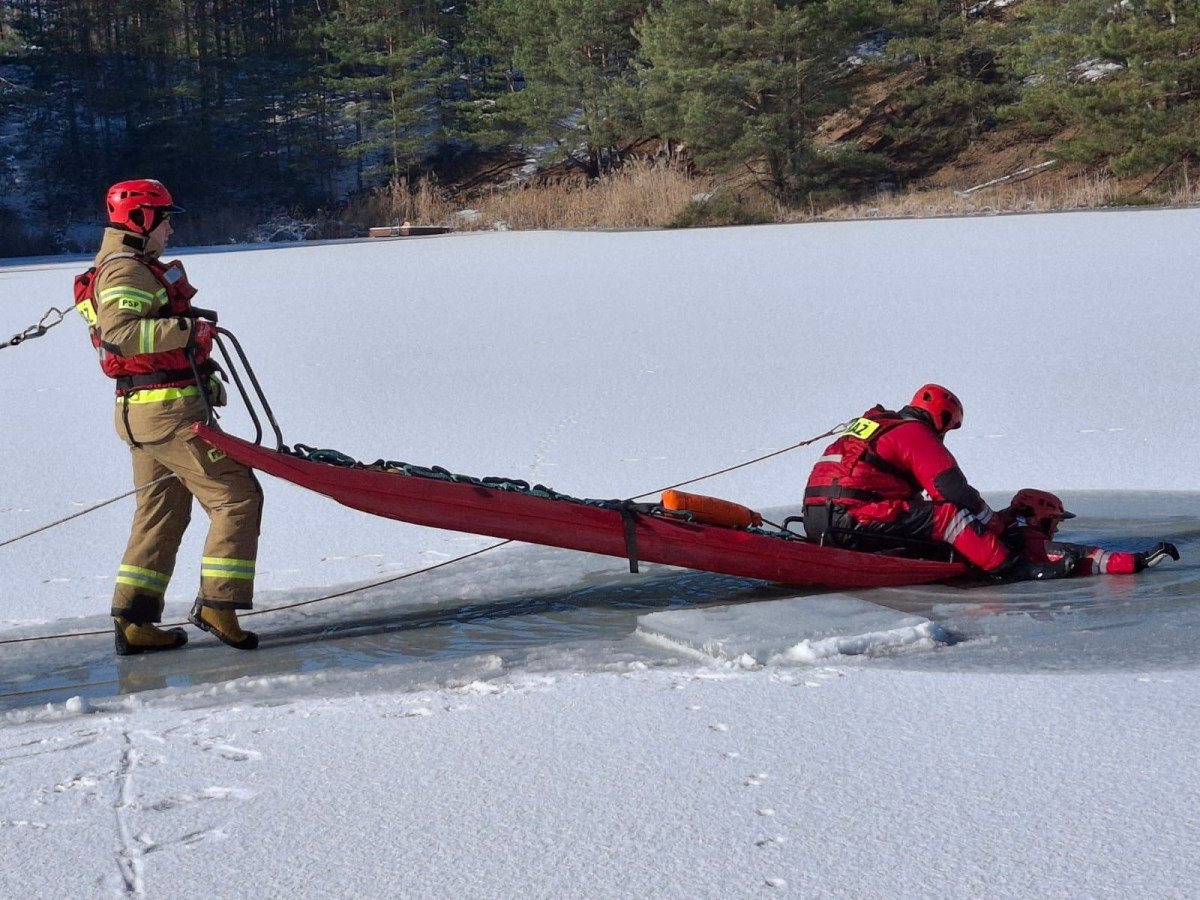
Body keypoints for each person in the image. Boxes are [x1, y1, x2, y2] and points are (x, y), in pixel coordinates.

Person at [76, 179, 262, 655]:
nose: (171, 229)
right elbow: (120, 334)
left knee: (160, 515)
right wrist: (190, 330)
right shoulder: (125, 273)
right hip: (167, 414)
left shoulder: (127, 267)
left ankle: (135, 622)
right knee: (237, 497)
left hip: (147, 411)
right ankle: (219, 605)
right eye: (165, 219)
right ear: (140, 221)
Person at [803, 384, 1064, 581]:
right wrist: (991, 523)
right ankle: (1014, 570)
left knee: (917, 510)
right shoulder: (914, 432)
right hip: (851, 521)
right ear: (944, 418)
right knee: (949, 517)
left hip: (816, 520)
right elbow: (952, 490)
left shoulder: (876, 426)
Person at [998, 488, 1179, 576]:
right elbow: (1087, 556)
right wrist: (1141, 560)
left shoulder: (1001, 530)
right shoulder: (1035, 545)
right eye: (1055, 521)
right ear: (1036, 520)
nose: (1057, 528)